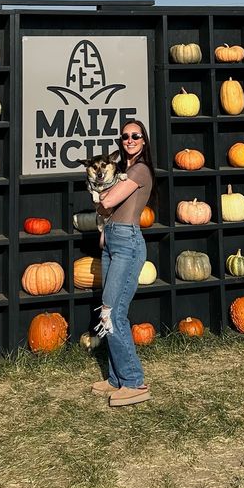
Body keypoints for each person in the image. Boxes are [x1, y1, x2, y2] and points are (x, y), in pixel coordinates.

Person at [91, 120, 155, 407]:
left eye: (136, 136)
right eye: (126, 136)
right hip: (114, 240)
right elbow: (103, 205)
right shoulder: (123, 171)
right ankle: (116, 378)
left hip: (128, 243)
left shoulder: (139, 169)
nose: (130, 140)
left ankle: (134, 381)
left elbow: (106, 201)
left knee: (112, 314)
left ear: (143, 141)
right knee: (110, 311)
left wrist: (99, 189)